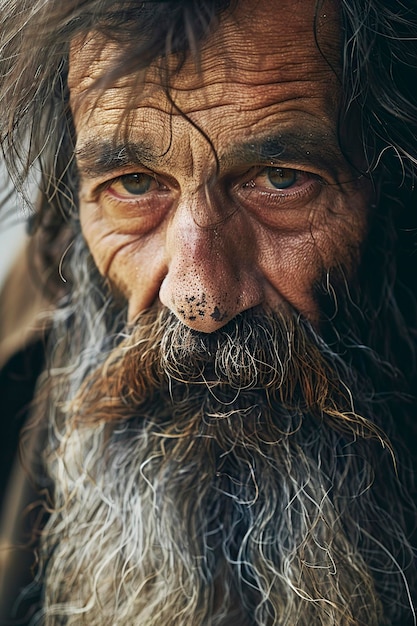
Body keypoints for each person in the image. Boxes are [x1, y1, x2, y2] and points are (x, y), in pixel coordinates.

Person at [1, 0, 417, 624]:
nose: (199, 298)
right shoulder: (17, 371)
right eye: (136, 184)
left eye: (281, 179)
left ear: (393, 194)